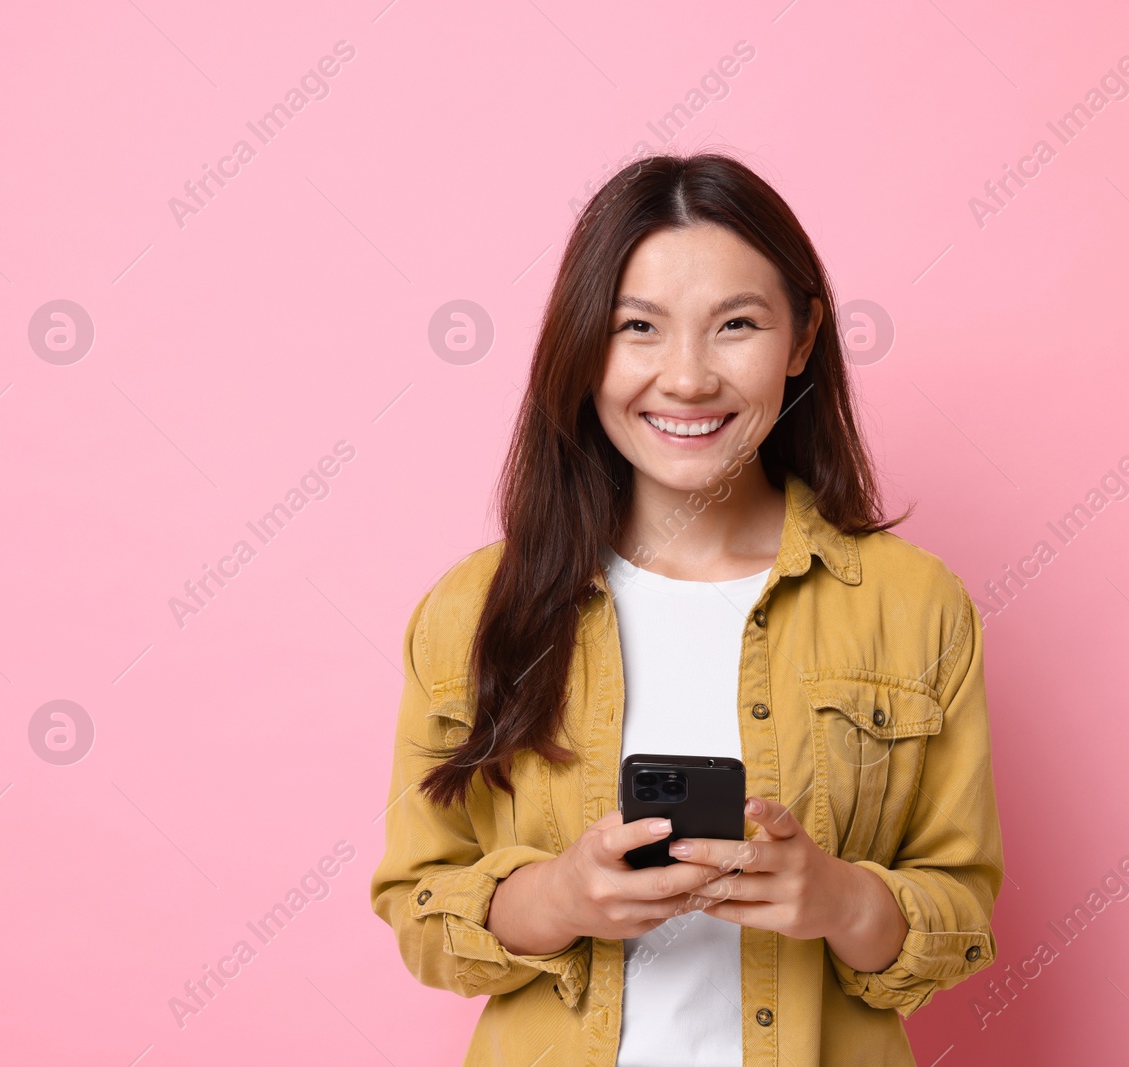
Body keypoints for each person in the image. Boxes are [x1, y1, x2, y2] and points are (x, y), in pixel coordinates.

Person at [370, 152, 1004, 1066]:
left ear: (801, 338)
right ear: (583, 344)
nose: (689, 378)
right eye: (640, 327)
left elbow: (962, 908)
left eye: (736, 324)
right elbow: (419, 903)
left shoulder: (916, 606)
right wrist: (560, 897)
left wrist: (838, 899)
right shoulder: (472, 610)